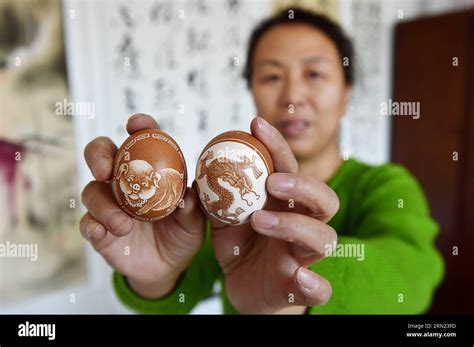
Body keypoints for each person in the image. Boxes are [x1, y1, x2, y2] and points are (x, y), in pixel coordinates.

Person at [80, 8, 444, 314]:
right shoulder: (220, 211)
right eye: (271, 76)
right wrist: (156, 274)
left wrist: (294, 290)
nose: (292, 95)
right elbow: (181, 295)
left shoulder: (385, 185)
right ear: (251, 90)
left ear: (346, 93)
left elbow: (412, 275)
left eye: (314, 74)